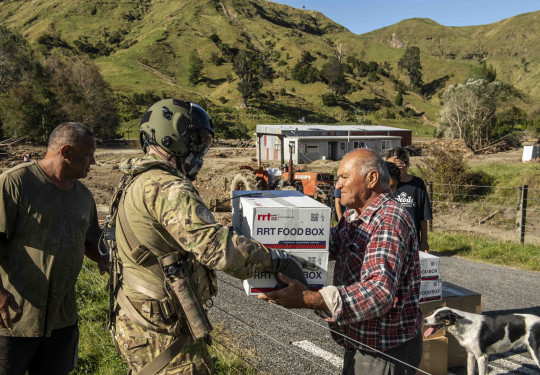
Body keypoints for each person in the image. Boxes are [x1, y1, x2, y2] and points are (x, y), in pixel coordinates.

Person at [108, 98, 313, 374]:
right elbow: (216, 248)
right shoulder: (167, 187)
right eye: (197, 141)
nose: (200, 151)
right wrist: (276, 260)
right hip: (164, 336)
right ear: (173, 138)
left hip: (141, 323)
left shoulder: (138, 177)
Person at [259, 148, 423, 375]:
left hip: (385, 351)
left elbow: (379, 293)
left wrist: (310, 298)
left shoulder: (388, 220)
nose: (337, 185)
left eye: (344, 177)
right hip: (361, 343)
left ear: (372, 178)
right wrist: (273, 241)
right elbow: (331, 243)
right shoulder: (355, 214)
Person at [0, 122, 108, 375]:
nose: (93, 163)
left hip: (62, 318)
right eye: (89, 155)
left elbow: (91, 241)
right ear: (66, 151)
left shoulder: (83, 195)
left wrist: (107, 259)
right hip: (14, 317)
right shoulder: (15, 183)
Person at [385, 147, 432, 252]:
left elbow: (423, 216)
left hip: (412, 241)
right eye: (392, 166)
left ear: (405, 164)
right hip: (390, 239)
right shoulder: (386, 184)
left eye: (399, 165)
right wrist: (386, 166)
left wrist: (424, 241)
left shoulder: (417, 184)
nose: (396, 170)